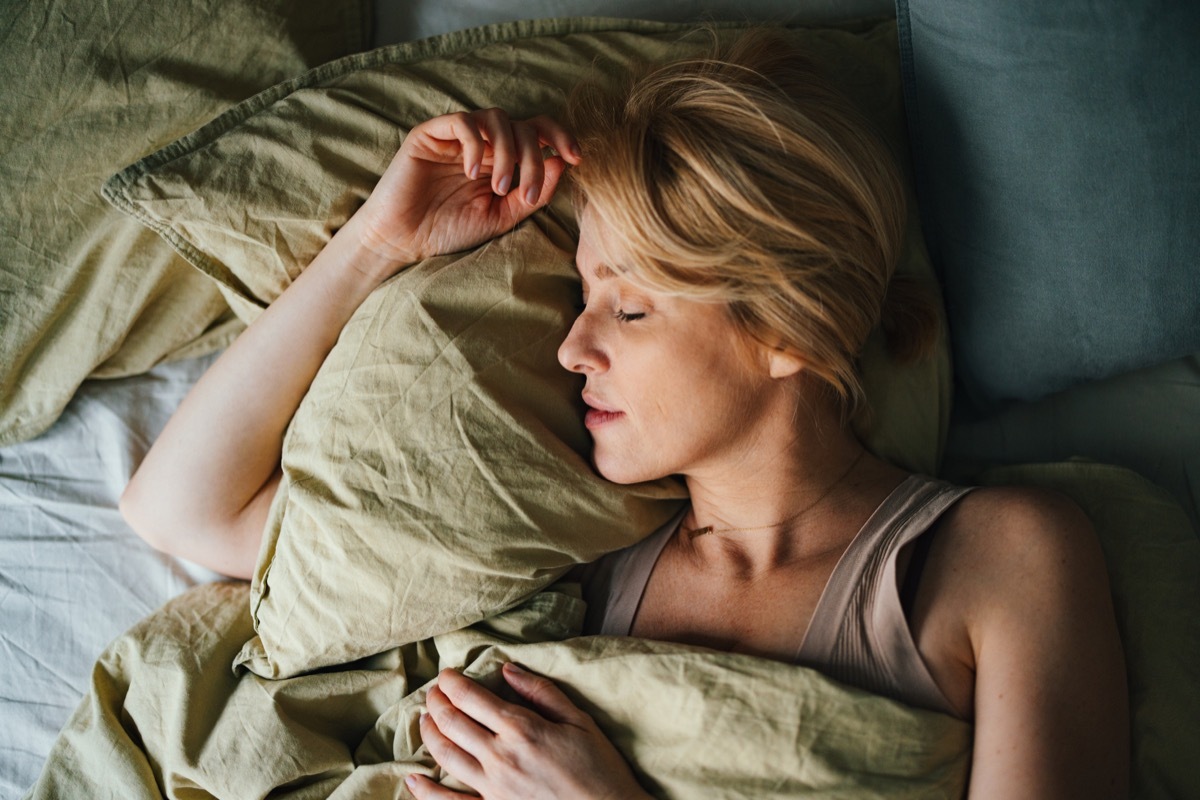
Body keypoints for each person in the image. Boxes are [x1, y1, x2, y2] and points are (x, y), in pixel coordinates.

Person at [121, 27, 1129, 800]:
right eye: (583, 294)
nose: (571, 347)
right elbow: (181, 510)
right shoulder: (572, 547)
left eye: (630, 306)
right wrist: (380, 241)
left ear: (786, 329)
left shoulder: (1005, 558)